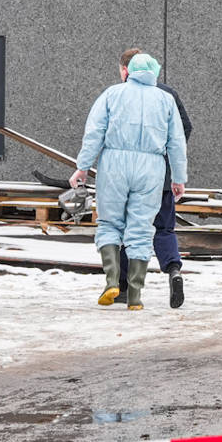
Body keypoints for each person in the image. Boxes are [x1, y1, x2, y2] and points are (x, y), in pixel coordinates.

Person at [72, 51, 188, 309]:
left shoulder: (112, 94)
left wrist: (82, 167)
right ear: (154, 72)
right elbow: (177, 142)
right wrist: (178, 178)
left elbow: (94, 133)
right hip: (152, 168)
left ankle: (113, 281)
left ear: (129, 70)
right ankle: (134, 297)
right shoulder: (165, 99)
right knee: (141, 228)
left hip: (114, 164)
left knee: (110, 222)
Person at [124, 47, 193, 309]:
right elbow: (185, 127)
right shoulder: (168, 94)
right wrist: (168, 155)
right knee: (164, 228)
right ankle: (174, 270)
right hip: (161, 175)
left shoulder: (119, 95)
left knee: (128, 228)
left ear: (128, 70)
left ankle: (124, 287)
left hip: (129, 175)